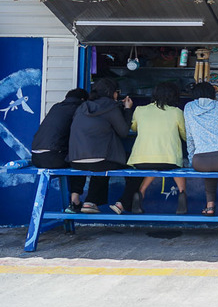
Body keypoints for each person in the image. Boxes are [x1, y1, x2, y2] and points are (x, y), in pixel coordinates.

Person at [67, 78, 135, 214]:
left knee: (102, 161)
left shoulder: (83, 107)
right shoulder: (111, 107)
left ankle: (90, 201)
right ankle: (123, 202)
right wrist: (127, 110)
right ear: (112, 93)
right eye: (117, 92)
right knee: (135, 163)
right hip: (101, 160)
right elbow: (123, 132)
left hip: (75, 161)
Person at [121, 82, 187, 215]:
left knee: (153, 166)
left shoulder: (140, 110)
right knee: (177, 168)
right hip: (169, 160)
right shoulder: (176, 112)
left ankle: (141, 193)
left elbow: (134, 128)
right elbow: (185, 135)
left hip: (141, 160)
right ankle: (182, 195)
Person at [184, 81, 218, 216]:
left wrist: (192, 159)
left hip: (200, 161)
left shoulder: (189, 108)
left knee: (208, 169)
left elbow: (189, 137)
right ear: (213, 94)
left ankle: (210, 206)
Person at [30, 88, 88, 213]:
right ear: (83, 100)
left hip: (36, 157)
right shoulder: (80, 109)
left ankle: (72, 204)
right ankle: (75, 200)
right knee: (81, 162)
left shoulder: (56, 107)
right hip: (53, 157)